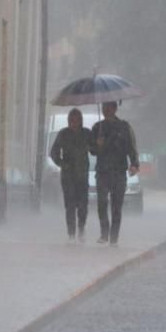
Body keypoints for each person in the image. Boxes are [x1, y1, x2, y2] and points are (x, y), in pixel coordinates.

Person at [91, 101, 139, 246]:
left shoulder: (124, 127)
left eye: (109, 107)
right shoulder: (97, 128)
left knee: (116, 206)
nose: (106, 110)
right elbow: (92, 150)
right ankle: (104, 233)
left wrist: (134, 164)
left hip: (118, 172)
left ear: (115, 109)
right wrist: (97, 145)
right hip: (103, 172)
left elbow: (132, 147)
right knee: (102, 202)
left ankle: (114, 238)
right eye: (104, 107)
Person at [49, 108, 93, 242]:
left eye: (76, 120)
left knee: (83, 205)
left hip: (82, 175)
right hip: (68, 176)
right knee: (70, 205)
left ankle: (81, 228)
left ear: (80, 121)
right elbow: (54, 152)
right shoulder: (63, 134)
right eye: (71, 120)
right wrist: (62, 164)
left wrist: (98, 144)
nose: (73, 123)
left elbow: (95, 150)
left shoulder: (87, 134)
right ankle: (71, 233)